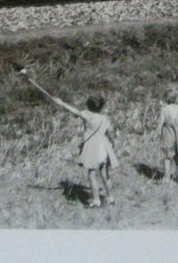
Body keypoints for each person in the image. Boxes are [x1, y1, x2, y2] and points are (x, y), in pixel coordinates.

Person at [24, 73, 119, 208]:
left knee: (92, 174)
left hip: (92, 148)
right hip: (104, 147)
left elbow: (74, 111)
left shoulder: (87, 115)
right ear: (101, 107)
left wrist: (61, 102)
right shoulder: (104, 118)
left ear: (88, 105)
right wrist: (113, 145)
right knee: (104, 175)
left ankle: (97, 200)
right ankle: (110, 198)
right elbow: (111, 133)